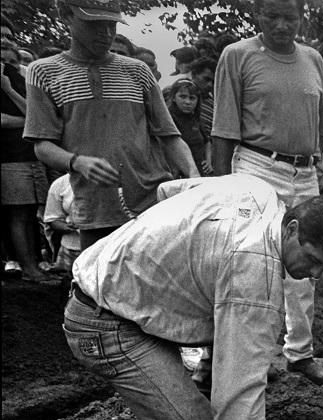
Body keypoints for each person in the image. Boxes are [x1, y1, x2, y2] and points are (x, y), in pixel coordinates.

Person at [63, 175, 323, 420]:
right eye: (312, 259)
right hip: (107, 325)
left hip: (119, 291)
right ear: (292, 228)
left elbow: (168, 190)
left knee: (211, 394)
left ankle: (198, 403)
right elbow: (238, 395)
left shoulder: (257, 190)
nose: (313, 274)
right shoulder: (254, 276)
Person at [211, 0, 323, 385]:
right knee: (252, 263)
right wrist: (223, 187)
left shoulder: (313, 60)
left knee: (305, 265)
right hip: (256, 166)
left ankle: (300, 353)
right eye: (273, 17)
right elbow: (223, 129)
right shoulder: (237, 56)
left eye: (290, 17)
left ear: (301, 18)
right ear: (259, 17)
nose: (282, 25)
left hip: (304, 172)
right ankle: (244, 357)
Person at [24, 0, 197, 251]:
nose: (105, 34)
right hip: (96, 208)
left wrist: (193, 177)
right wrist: (77, 162)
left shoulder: (137, 71)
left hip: (152, 202)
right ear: (66, 16)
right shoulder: (43, 72)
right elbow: (42, 145)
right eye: (93, 25)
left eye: (111, 25)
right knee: (97, 283)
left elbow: (170, 136)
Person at [2, 34, 50, 281]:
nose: (6, 58)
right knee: (18, 214)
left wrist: (9, 90)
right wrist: (29, 123)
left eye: (10, 53)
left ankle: (35, 265)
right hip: (8, 158)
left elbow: (35, 112)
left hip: (31, 153)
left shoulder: (17, 77)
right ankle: (27, 267)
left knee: (31, 213)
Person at [165, 77, 210, 176]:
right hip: (178, 172)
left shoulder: (196, 120)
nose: (187, 102)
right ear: (173, 98)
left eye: (192, 98)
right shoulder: (168, 120)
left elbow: (207, 142)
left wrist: (209, 161)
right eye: (182, 96)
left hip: (199, 170)